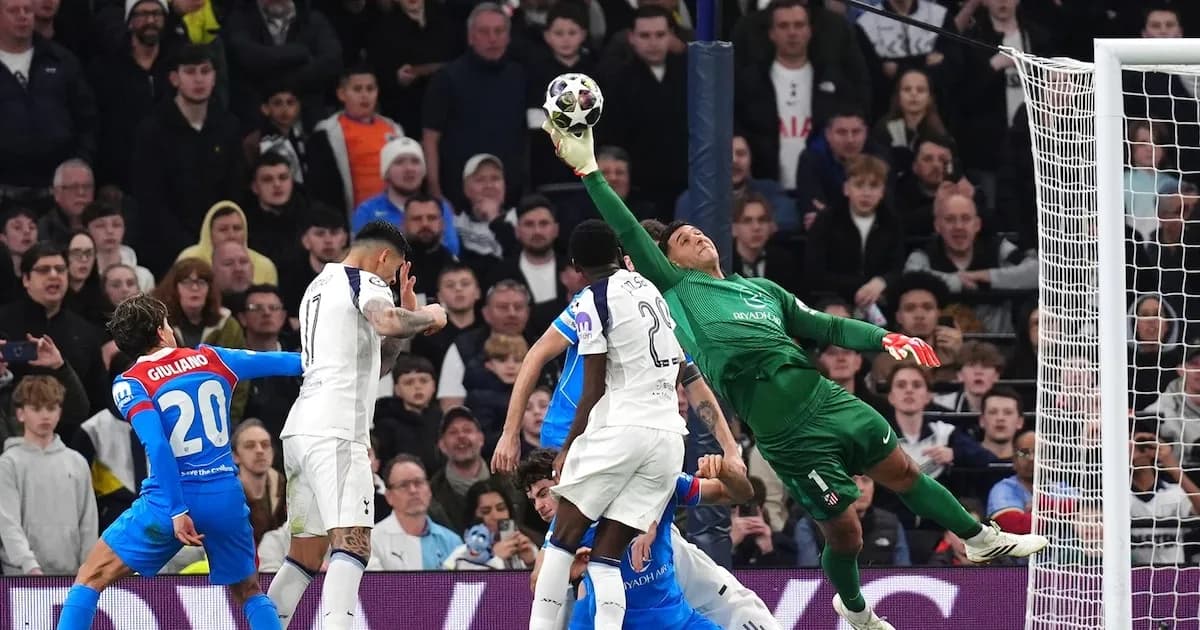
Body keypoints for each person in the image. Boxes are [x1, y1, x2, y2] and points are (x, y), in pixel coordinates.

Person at [542, 122, 1049, 630]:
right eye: (681, 241)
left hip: (825, 397)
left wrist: (886, 338)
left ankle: (979, 537)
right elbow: (629, 230)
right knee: (845, 534)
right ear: (667, 263)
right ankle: (854, 610)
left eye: (696, 231)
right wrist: (588, 170)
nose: (695, 236)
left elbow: (824, 325)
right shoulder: (679, 292)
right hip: (787, 435)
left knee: (905, 472)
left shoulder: (760, 289)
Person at [55, 294, 305, 630]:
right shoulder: (213, 359)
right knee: (248, 591)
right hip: (225, 498)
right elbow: (289, 363)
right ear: (161, 331)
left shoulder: (131, 383)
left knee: (90, 577)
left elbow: (158, 446)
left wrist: (176, 511)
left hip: (167, 502)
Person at [266, 221, 446, 630]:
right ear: (383, 258)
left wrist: (405, 323)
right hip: (337, 431)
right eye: (392, 270)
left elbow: (375, 363)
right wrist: (426, 315)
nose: (389, 280)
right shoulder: (366, 280)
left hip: (300, 432)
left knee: (304, 557)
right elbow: (387, 321)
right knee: (353, 547)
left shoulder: (318, 287)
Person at [528, 219, 691, 630]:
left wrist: (568, 447)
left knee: (562, 542)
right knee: (605, 558)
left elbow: (592, 388)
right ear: (620, 254)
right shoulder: (650, 290)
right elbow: (675, 367)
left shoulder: (589, 300)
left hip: (623, 428)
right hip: (669, 436)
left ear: (576, 267)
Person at [491, 219, 741, 474]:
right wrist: (510, 433)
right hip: (567, 436)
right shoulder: (595, 301)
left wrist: (731, 449)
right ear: (629, 261)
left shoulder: (669, 315)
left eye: (657, 261)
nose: (650, 268)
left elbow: (695, 384)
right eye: (643, 258)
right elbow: (535, 356)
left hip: (626, 440)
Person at [518, 448, 781, 630]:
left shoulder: (658, 484)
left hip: (717, 601)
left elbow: (738, 493)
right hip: (660, 613)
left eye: (544, 493)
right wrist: (567, 570)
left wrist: (724, 470)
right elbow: (540, 576)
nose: (541, 506)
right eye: (535, 500)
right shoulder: (568, 524)